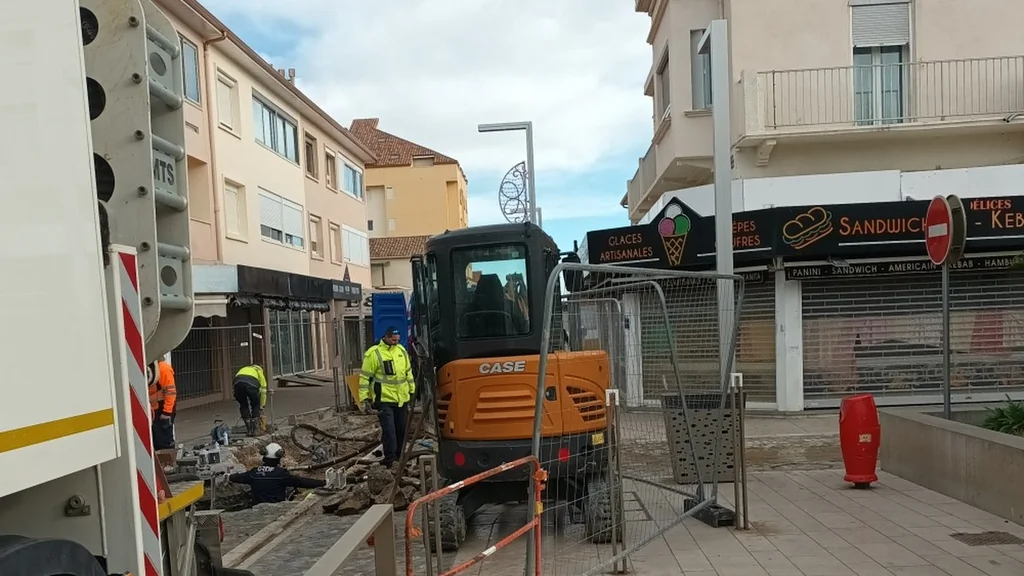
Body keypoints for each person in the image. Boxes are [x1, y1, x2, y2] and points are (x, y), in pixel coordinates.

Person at [358, 326, 415, 468]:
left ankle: (400, 457)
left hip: (401, 399)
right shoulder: (374, 354)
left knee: (401, 429)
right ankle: (390, 460)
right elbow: (365, 378)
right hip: (384, 400)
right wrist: (364, 399)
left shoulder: (401, 351)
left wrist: (412, 391)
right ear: (387, 337)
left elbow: (408, 373)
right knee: (389, 430)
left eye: (398, 340)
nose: (396, 343)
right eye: (394, 340)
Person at [228, 443, 325, 504]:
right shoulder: (281, 474)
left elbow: (237, 477)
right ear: (278, 458)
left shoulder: (253, 473)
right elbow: (300, 482)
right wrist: (323, 483)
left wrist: (229, 476)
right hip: (277, 508)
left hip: (257, 508)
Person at [147, 360, 177, 450]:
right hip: (152, 411)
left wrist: (166, 413)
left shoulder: (163, 368)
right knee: (154, 443)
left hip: (162, 412)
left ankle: (167, 462)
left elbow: (170, 392)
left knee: (164, 444)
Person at [233, 364, 268, 436]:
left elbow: (235, 380)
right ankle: (255, 430)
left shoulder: (244, 368)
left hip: (238, 384)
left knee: (243, 405)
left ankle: (249, 430)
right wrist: (262, 405)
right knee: (255, 405)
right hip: (251, 385)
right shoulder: (259, 371)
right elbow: (263, 391)